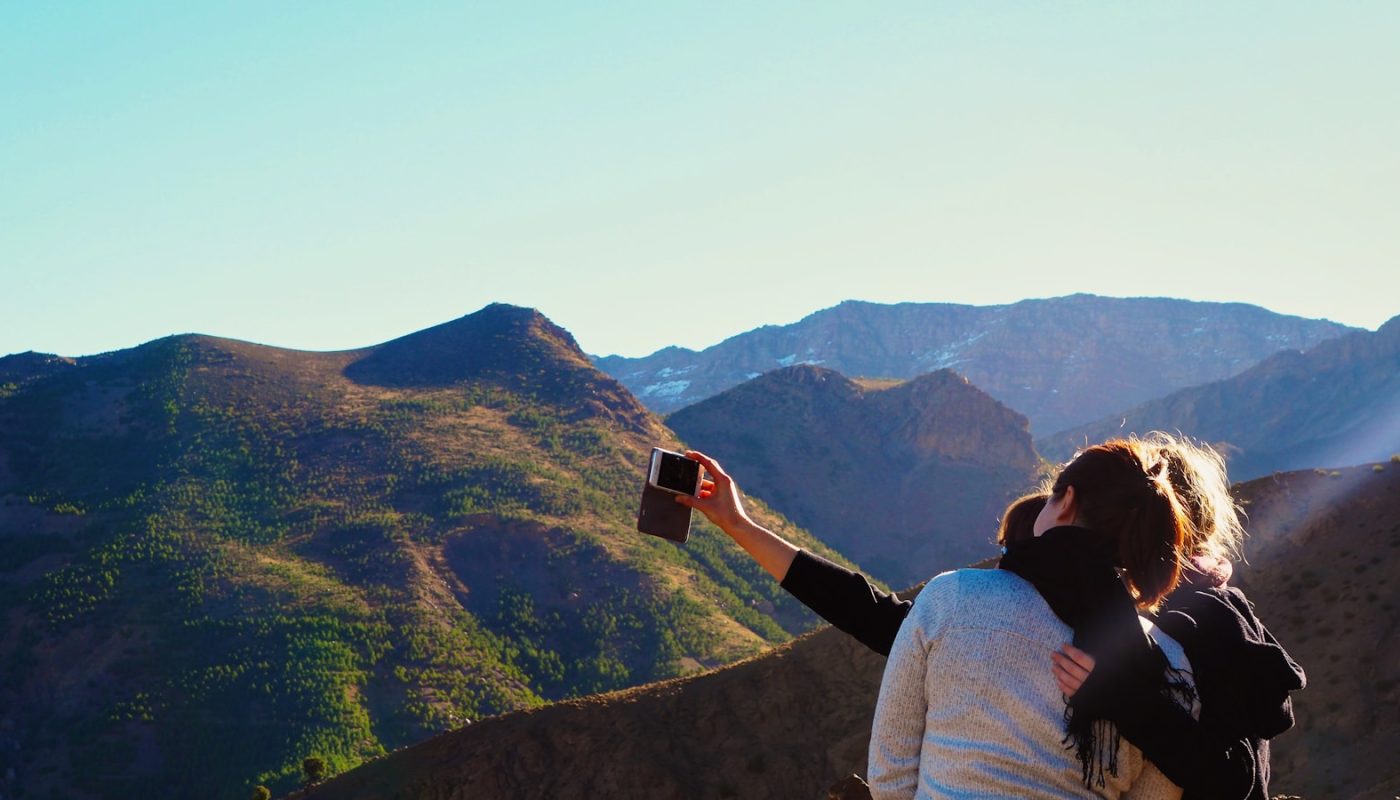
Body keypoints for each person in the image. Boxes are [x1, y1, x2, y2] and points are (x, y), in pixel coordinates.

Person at [679, 434, 1303, 798]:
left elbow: (1235, 782)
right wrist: (741, 527)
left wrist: (1128, 699)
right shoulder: (1068, 595)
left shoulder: (1202, 627)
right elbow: (884, 618)